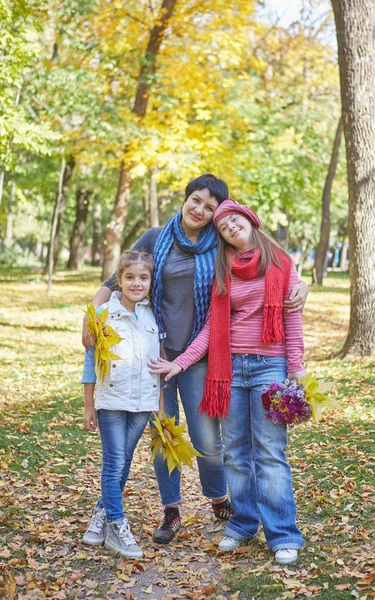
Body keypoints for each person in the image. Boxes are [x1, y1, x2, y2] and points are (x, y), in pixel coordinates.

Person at [82, 174, 308, 544]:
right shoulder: (156, 238)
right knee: (164, 434)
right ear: (185, 198)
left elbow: (267, 263)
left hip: (203, 356)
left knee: (207, 439)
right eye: (196, 201)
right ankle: (171, 510)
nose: (200, 210)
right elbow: (114, 281)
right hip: (157, 355)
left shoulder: (220, 245)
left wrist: (302, 285)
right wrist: (90, 318)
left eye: (210, 207)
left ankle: (219, 497)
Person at [149, 199, 306, 565]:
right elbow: (211, 328)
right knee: (235, 451)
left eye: (234, 219)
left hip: (270, 366)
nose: (230, 227)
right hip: (231, 368)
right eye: (222, 226)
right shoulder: (225, 269)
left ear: (249, 220)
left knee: (269, 452)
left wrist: (295, 367)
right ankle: (242, 524)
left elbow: (292, 319)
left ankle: (282, 533)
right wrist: (181, 362)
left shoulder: (281, 262)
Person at [82, 250, 162, 558]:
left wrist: (159, 405)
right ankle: (117, 524)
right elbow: (91, 364)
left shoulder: (155, 316)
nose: (137, 283)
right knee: (114, 462)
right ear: (119, 280)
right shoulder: (102, 316)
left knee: (124, 462)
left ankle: (101, 514)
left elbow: (159, 364)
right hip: (111, 401)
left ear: (151, 282)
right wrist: (89, 405)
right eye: (130, 277)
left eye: (143, 278)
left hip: (142, 404)